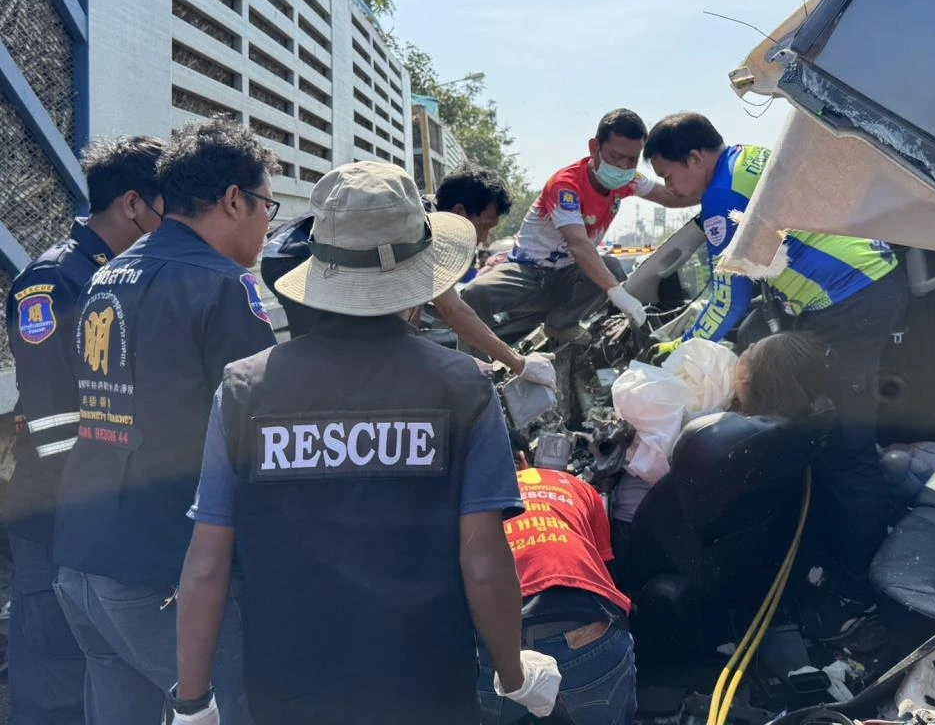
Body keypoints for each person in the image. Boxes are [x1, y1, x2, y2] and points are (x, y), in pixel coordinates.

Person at [172, 162, 560, 724]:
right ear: (419, 272)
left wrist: (191, 701)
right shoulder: (462, 385)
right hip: (426, 686)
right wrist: (514, 676)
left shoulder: (245, 387)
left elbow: (207, 561)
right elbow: (483, 558)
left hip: (287, 689)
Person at [643, 112, 910, 640]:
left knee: (847, 451)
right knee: (835, 440)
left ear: (695, 158)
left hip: (850, 303)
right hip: (866, 287)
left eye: (670, 176)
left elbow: (732, 290)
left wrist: (685, 348)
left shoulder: (722, 198)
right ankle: (838, 556)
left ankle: (858, 594)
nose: (673, 189)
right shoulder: (749, 161)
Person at [50, 118, 281, 725]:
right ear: (235, 199)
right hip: (163, 574)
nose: (266, 223)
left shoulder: (107, 274)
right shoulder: (224, 287)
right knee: (230, 709)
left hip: (81, 553)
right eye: (266, 206)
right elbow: (257, 441)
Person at [3, 135, 166, 724]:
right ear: (132, 204)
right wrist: (91, 509)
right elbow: (51, 419)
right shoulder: (56, 280)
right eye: (168, 205)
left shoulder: (121, 276)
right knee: (55, 669)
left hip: (97, 507)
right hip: (57, 508)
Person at [260, 163, 556, 388]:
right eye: (485, 226)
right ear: (459, 211)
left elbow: (410, 314)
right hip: (290, 257)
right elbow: (453, 310)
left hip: (299, 248)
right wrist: (519, 363)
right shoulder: (417, 229)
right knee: (324, 352)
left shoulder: (422, 216)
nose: (483, 238)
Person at [611, 331, 829, 586]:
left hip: (644, 541)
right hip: (726, 548)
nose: (745, 348)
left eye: (751, 350)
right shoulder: (796, 430)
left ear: (746, 376)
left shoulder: (708, 433)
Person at [460, 109, 693, 339]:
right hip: (529, 272)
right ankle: (474, 367)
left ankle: (560, 325)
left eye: (631, 160)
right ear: (595, 148)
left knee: (610, 265)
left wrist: (710, 190)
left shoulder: (629, 180)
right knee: (473, 294)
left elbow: (671, 196)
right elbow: (579, 244)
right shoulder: (566, 185)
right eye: (615, 157)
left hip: (569, 275)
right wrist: (617, 293)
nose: (623, 166)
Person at [479, 458, 636, 725]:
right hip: (586, 638)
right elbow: (604, 569)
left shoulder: (473, 497)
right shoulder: (579, 487)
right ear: (523, 459)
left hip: (496, 649)